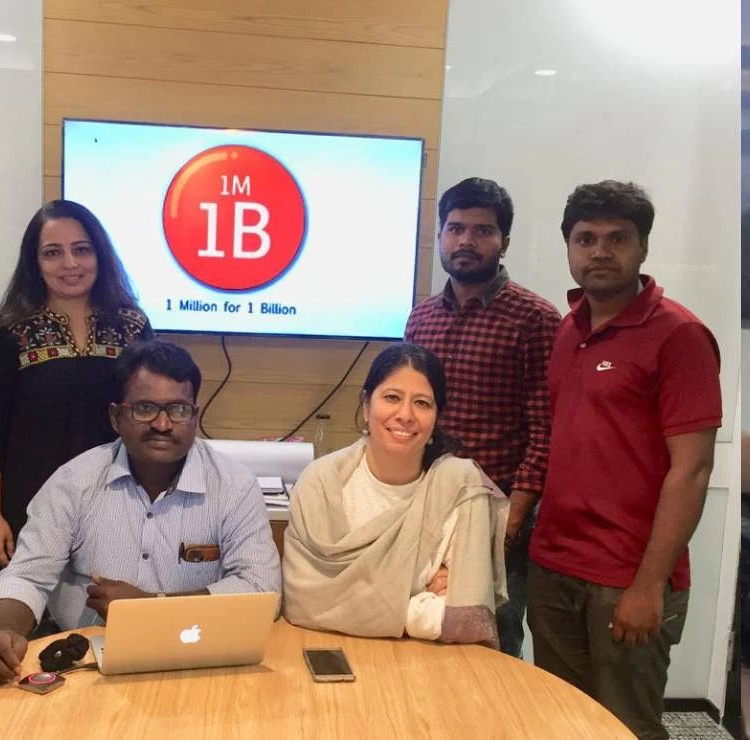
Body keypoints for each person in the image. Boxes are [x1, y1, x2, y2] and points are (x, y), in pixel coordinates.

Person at [527, 181, 721, 740]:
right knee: (561, 723)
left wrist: (649, 586)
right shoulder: (569, 329)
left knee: (624, 729)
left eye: (618, 238)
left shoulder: (679, 335)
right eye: (585, 239)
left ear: (643, 247)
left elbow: (693, 470)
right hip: (554, 567)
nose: (600, 252)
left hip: (626, 579)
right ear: (568, 247)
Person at [0, 340, 281, 686]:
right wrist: (2, 631)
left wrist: (150, 607)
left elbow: (261, 588)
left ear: (194, 417)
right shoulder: (74, 482)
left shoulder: (234, 486)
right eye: (145, 408)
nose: (162, 424)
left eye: (178, 409)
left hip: (200, 658)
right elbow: (26, 577)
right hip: (85, 663)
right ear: (116, 417)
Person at [403, 177, 561, 657]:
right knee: (421, 625)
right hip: (427, 503)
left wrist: (512, 521)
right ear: (440, 236)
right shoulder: (421, 318)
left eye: (482, 231)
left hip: (499, 512)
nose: (466, 241)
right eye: (455, 229)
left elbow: (546, 430)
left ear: (504, 241)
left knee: (493, 636)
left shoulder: (535, 319)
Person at [0, 199, 152, 568]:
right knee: (31, 606)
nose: (70, 264)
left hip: (120, 507)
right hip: (31, 510)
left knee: (111, 604)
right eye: (53, 253)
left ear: (99, 255)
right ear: (34, 262)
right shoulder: (6, 334)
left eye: (82, 250)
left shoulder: (132, 328)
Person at [282, 343, 508, 646]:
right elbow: (305, 602)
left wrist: (354, 604)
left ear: (437, 417)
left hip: (431, 660)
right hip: (324, 649)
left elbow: (468, 619)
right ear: (366, 406)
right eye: (392, 398)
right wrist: (417, 606)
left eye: (422, 403)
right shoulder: (320, 483)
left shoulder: (460, 486)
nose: (405, 415)